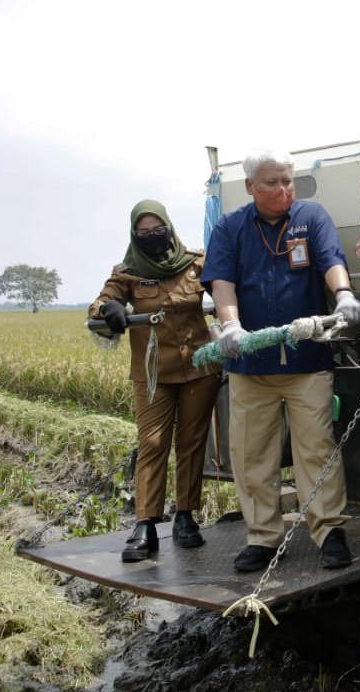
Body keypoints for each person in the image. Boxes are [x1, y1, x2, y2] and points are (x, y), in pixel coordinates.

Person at [200, 150, 360, 573]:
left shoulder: (311, 217)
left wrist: (344, 294)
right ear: (250, 187)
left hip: (306, 362)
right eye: (272, 183)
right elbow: (222, 282)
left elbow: (331, 260)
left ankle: (329, 532)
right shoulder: (230, 227)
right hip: (251, 366)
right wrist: (231, 326)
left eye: (288, 181)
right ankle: (262, 537)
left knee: (316, 448)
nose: (283, 190)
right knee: (252, 454)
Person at [88, 201, 222, 562]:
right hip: (153, 375)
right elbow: (101, 302)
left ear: (169, 227)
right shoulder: (127, 273)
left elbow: (225, 292)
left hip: (199, 368)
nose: (152, 236)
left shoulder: (196, 263)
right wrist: (110, 309)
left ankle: (186, 517)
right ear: (134, 235)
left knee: (191, 442)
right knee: (152, 443)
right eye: (143, 232)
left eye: (157, 229)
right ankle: (145, 524)